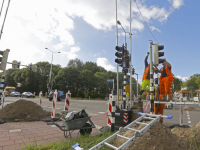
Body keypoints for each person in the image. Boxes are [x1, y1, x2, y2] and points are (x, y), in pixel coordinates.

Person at [154, 58, 174, 123]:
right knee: (162, 90)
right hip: (162, 79)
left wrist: (166, 61)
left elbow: (170, 65)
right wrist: (155, 67)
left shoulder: (168, 66)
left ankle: (169, 98)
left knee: (167, 89)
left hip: (167, 78)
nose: (162, 63)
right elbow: (158, 71)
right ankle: (157, 122)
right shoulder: (162, 68)